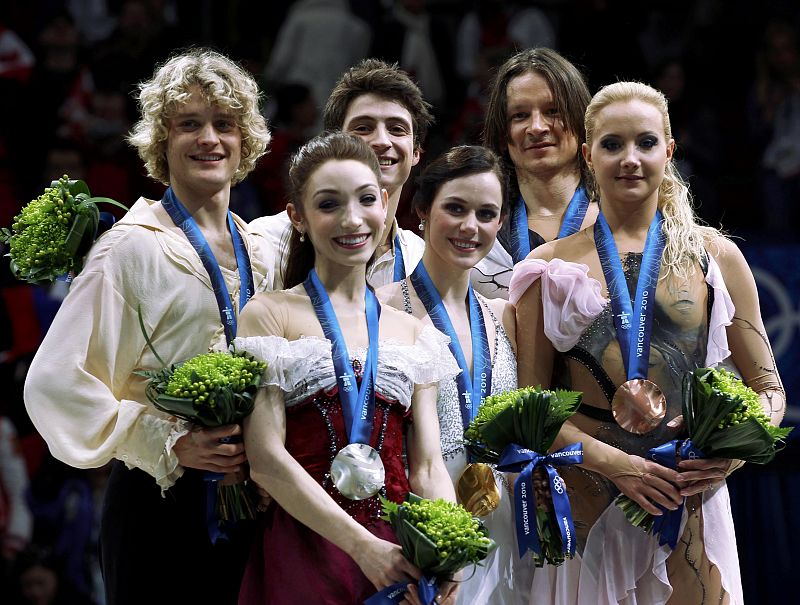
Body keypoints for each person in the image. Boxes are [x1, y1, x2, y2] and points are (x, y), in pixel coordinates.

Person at [510, 81, 786, 604]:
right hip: (590, 497)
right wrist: (617, 465)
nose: (629, 159)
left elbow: (769, 389)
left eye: (645, 143)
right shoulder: (545, 267)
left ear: (669, 149)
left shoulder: (716, 256)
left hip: (687, 501)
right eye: (612, 145)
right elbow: (530, 411)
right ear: (588, 155)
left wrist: (733, 456)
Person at [23, 49, 274, 605]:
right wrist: (168, 440)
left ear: (246, 139)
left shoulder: (262, 250)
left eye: (224, 124)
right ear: (162, 142)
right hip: (159, 503)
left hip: (255, 501)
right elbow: (52, 382)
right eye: (189, 124)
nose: (209, 138)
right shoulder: (129, 247)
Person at [234, 132, 459, 604]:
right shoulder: (270, 313)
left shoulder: (414, 333)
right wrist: (362, 547)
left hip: (398, 557)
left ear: (386, 205)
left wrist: (446, 552)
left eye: (366, 199)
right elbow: (267, 461)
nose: (352, 219)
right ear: (297, 217)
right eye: (329, 204)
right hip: (303, 548)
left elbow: (429, 467)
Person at [377, 145, 532, 604]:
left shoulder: (504, 316)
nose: (471, 227)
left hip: (503, 526)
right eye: (456, 208)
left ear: (501, 223)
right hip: (420, 527)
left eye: (487, 213)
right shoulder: (380, 308)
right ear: (422, 210)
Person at [251, 58, 434, 289]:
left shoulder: (421, 260)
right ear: (334, 142)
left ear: (416, 151)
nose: (381, 141)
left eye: (397, 129)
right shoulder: (266, 242)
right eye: (363, 128)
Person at [475, 47, 597, 300]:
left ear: (581, 120)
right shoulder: (477, 228)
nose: (537, 127)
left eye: (552, 111)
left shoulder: (623, 217)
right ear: (502, 133)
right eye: (520, 115)